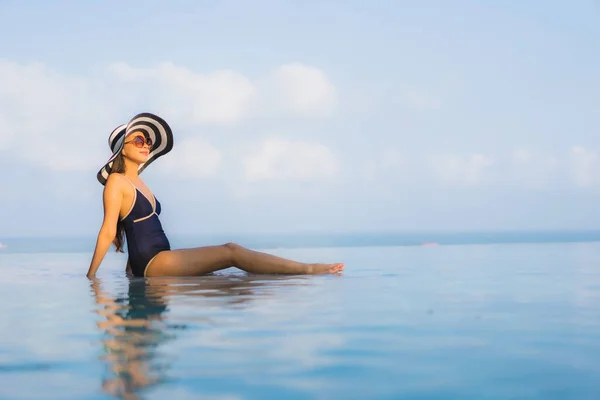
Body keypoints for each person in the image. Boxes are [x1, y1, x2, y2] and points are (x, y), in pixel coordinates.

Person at [86, 112, 345, 279]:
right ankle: (308, 269)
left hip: (157, 260)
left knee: (233, 290)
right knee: (231, 252)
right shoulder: (117, 182)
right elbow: (109, 231)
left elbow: (133, 227)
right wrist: (91, 279)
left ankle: (295, 275)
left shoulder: (138, 182)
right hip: (155, 262)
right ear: (122, 149)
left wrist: (132, 274)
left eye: (149, 142)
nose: (147, 145)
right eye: (139, 140)